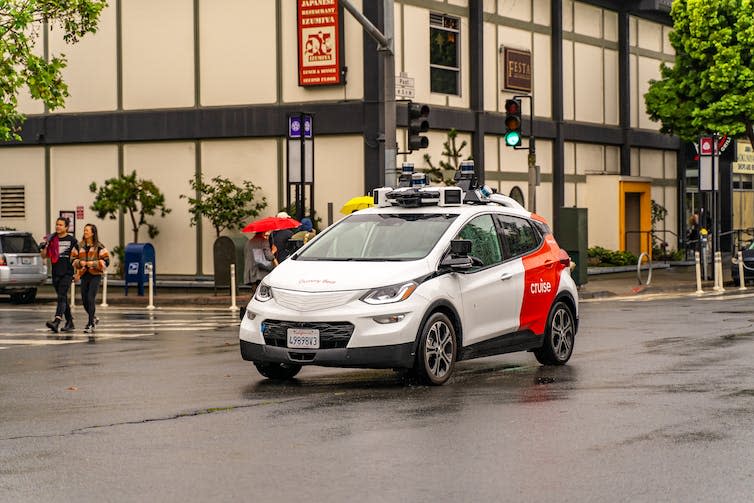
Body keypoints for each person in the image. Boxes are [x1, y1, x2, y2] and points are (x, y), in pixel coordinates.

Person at [40, 217, 79, 333]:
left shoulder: (72, 241)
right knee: (63, 299)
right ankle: (70, 322)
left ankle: (56, 321)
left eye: (61, 225)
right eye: (57, 224)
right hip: (56, 272)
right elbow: (44, 256)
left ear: (66, 227)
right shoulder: (52, 239)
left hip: (67, 273)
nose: (58, 227)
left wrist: (77, 273)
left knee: (61, 296)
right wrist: (45, 246)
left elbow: (77, 257)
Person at [72, 223, 110, 334]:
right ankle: (93, 318)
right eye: (84, 230)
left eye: (87, 230)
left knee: (90, 298)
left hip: (95, 275)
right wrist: (80, 263)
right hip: (84, 275)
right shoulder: (79, 246)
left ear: (93, 233)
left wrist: (92, 264)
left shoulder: (100, 247)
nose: (85, 232)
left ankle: (90, 324)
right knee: (84, 300)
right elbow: (73, 259)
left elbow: (106, 261)